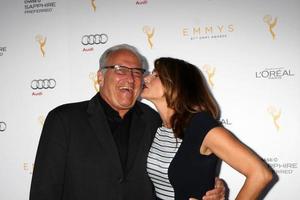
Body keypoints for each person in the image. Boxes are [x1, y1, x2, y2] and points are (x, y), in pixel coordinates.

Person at [29, 44, 225, 200]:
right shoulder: (64, 119)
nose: (130, 78)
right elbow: (44, 190)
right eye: (120, 69)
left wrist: (211, 186)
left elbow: (187, 165)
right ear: (100, 77)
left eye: (137, 72)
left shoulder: (156, 121)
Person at [141, 57, 273, 200]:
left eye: (156, 75)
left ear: (178, 85)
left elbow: (260, 174)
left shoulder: (201, 125)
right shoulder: (156, 124)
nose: (146, 78)